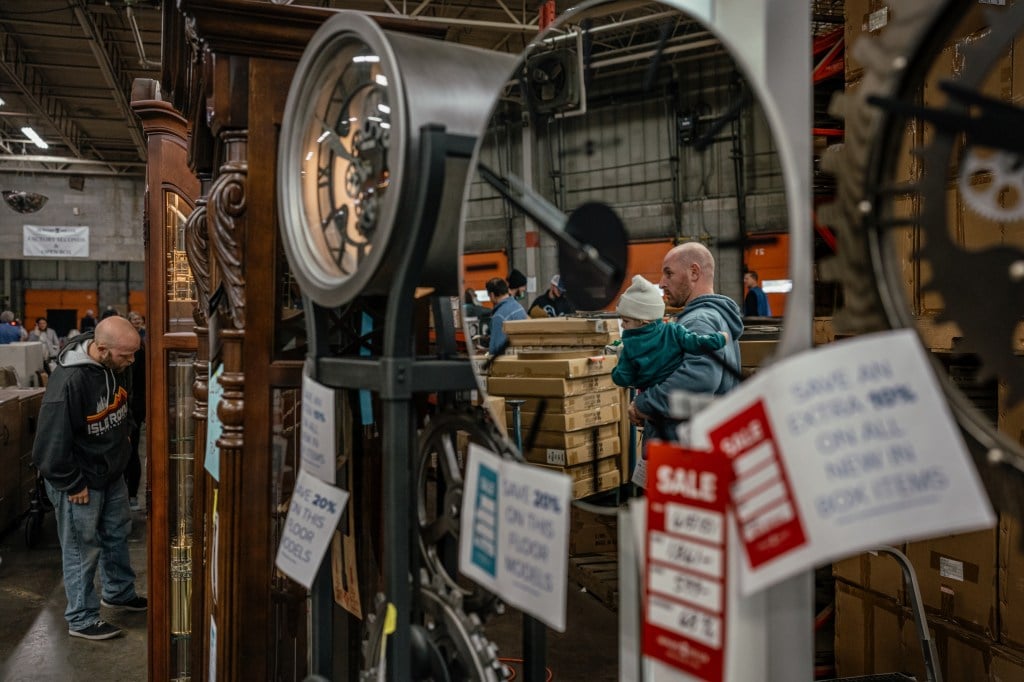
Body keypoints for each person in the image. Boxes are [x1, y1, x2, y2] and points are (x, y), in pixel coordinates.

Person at [32, 315, 146, 640]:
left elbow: (126, 405)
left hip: (110, 472)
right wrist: (72, 483)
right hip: (78, 480)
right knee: (83, 547)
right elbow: (47, 448)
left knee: (116, 533)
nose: (133, 360)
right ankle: (81, 617)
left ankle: (119, 591)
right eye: (126, 354)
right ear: (102, 348)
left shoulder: (117, 366)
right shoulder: (68, 381)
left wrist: (126, 434)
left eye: (134, 353)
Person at [629, 242, 743, 441]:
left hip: (684, 448)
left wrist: (644, 404)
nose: (662, 283)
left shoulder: (698, 321)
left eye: (669, 273)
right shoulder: (717, 316)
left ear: (694, 272)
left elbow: (699, 378)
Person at [610, 275, 728, 390]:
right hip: (676, 390)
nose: (622, 325)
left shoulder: (630, 347)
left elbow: (622, 379)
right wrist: (719, 338)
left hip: (650, 397)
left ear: (644, 321)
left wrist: (615, 369)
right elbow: (698, 342)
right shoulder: (673, 331)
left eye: (626, 321)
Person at [126, 312, 146, 511]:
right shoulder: (137, 347)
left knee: (131, 450)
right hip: (130, 405)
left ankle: (131, 493)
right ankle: (129, 494)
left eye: (139, 321)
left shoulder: (141, 348)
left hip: (135, 406)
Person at [485, 276, 527, 356]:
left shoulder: (499, 316)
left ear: (492, 295)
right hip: (520, 356)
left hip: (507, 361)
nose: (490, 299)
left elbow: (495, 349)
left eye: (489, 296)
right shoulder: (518, 307)